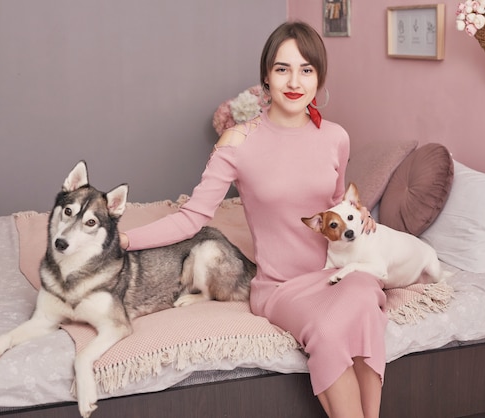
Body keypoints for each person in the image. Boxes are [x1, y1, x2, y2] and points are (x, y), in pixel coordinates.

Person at [119, 21, 387, 418]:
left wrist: (357, 215)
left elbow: (332, 204)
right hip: (281, 286)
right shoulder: (239, 141)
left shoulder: (336, 137)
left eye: (306, 70)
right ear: (266, 76)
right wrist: (123, 241)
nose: (294, 81)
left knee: (365, 299)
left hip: (339, 270)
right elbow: (192, 218)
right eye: (282, 69)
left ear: (320, 78)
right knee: (330, 330)